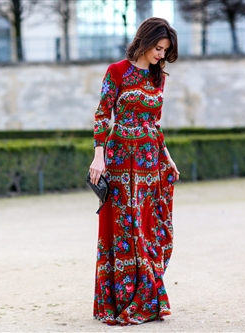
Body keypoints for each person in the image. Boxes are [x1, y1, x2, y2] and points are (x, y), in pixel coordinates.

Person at [88, 17, 180, 326]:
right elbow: (103, 114)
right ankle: (120, 299)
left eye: (165, 50)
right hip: (119, 158)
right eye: (158, 48)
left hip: (148, 161)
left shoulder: (159, 77)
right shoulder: (116, 72)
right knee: (124, 227)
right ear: (144, 41)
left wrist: (167, 157)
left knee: (146, 223)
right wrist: (98, 156)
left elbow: (155, 123)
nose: (161, 55)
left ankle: (147, 297)